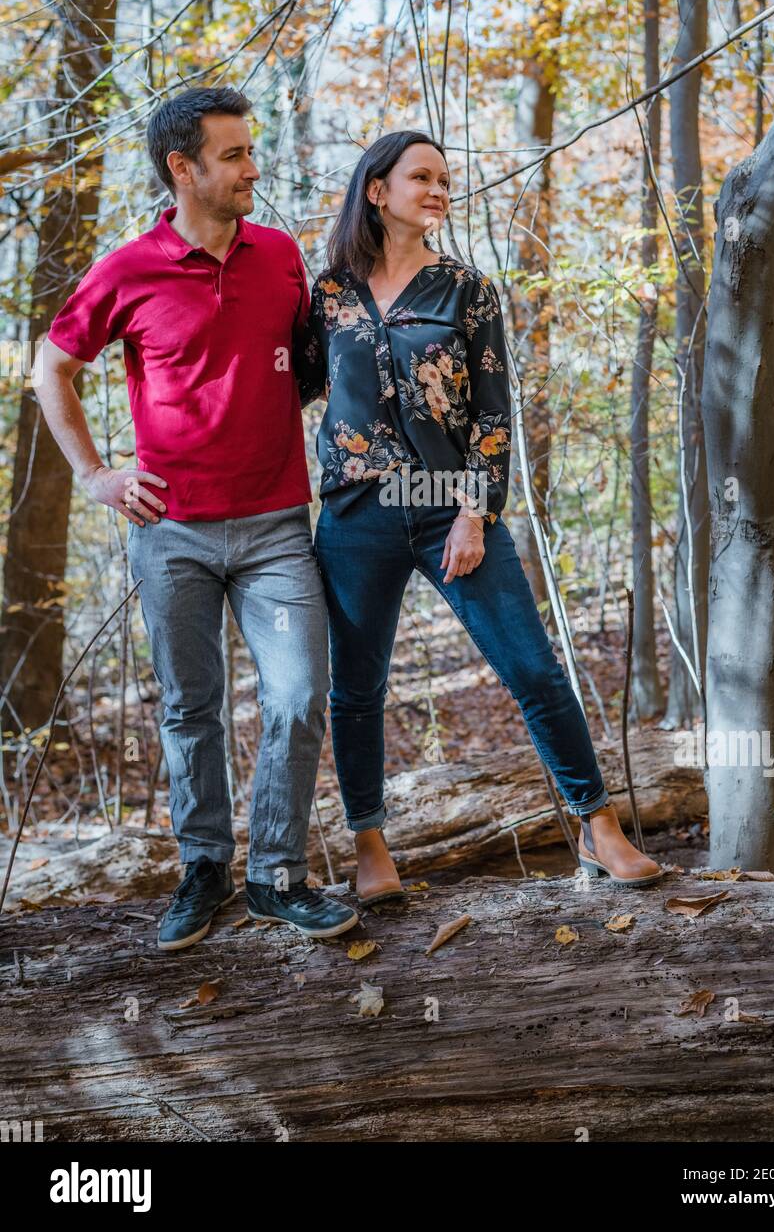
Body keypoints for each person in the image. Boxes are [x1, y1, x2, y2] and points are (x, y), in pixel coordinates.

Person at [293, 130, 664, 902]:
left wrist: (474, 513)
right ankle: (370, 846)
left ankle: (597, 826)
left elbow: (493, 416)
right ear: (376, 190)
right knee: (356, 691)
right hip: (356, 512)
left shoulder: (467, 288)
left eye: (445, 180)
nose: (438, 190)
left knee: (530, 668)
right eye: (421, 177)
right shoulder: (329, 294)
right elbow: (287, 393)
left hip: (443, 506)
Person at [34, 85, 359, 950]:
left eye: (251, 151)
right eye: (234, 155)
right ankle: (205, 867)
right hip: (170, 530)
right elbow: (49, 368)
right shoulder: (127, 268)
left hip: (278, 528)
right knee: (191, 707)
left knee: (296, 695)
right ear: (183, 169)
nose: (254, 167)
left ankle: (276, 875)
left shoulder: (282, 256)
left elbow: (314, 366)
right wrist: (98, 474)